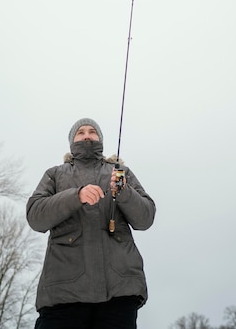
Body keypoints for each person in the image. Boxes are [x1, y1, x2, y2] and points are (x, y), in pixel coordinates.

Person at [26, 117, 156, 329]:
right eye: (81, 132)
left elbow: (145, 218)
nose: (87, 135)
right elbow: (35, 216)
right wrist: (75, 196)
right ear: (72, 141)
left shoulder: (121, 172)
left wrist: (124, 192)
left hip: (120, 293)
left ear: (100, 139)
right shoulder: (55, 174)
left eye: (92, 131)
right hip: (63, 294)